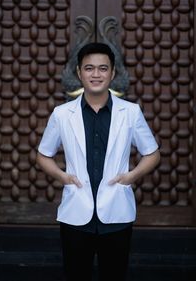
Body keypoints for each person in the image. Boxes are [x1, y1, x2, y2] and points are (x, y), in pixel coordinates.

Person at [36, 42, 160, 281]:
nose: (96, 74)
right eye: (89, 68)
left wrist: (131, 176)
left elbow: (152, 153)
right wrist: (63, 177)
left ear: (113, 73)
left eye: (103, 68)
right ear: (79, 73)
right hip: (75, 215)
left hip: (117, 214)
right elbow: (43, 155)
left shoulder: (131, 112)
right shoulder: (62, 114)